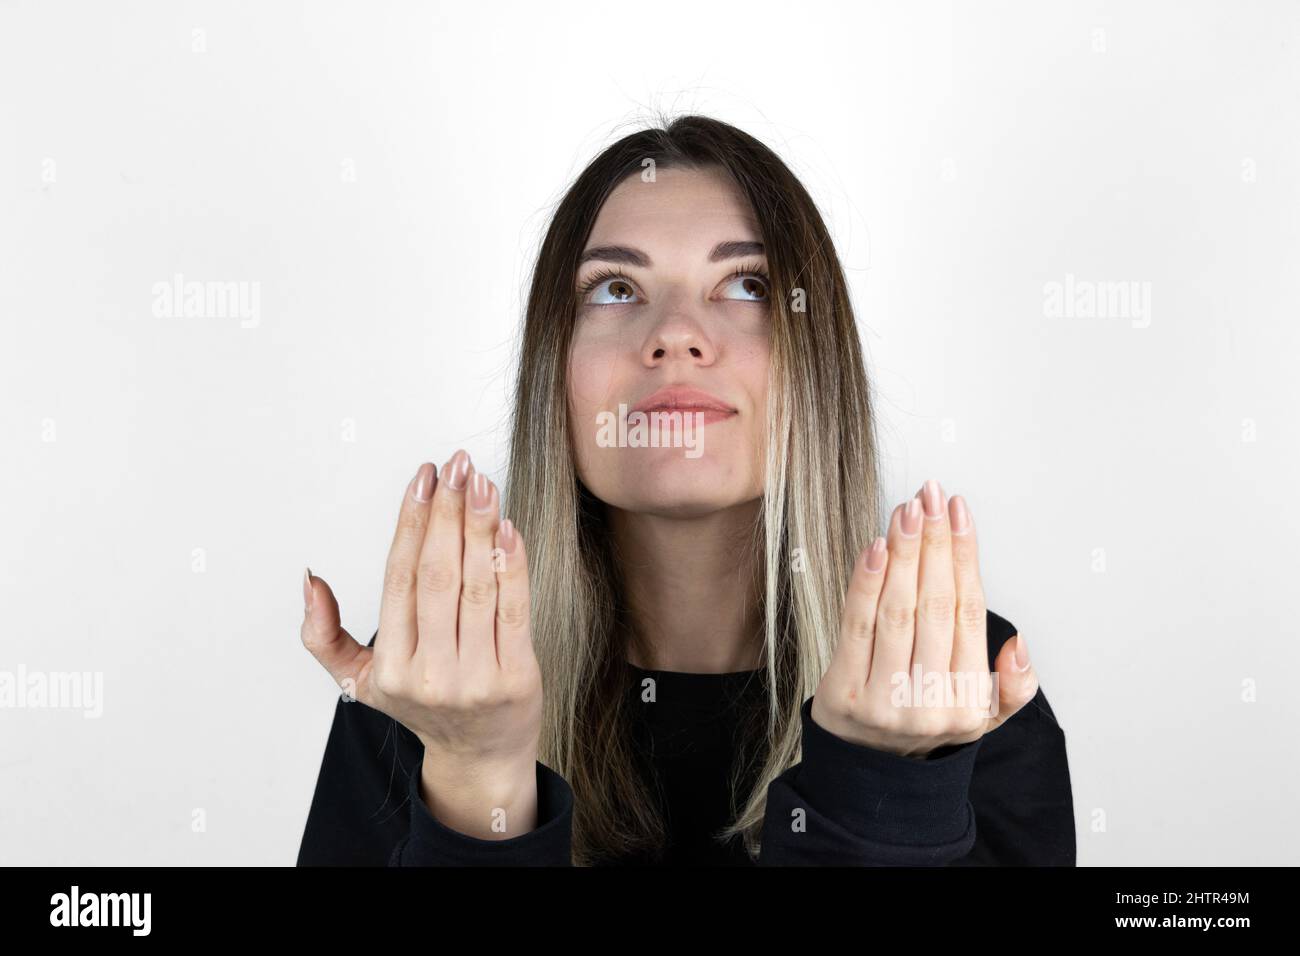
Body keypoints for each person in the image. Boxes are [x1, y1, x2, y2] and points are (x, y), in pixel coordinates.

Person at [296, 115, 1075, 866]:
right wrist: (473, 774)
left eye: (746, 284)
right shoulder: (430, 677)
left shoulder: (958, 681)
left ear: (820, 361)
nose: (675, 332)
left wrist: (880, 784)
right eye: (614, 289)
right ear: (551, 370)